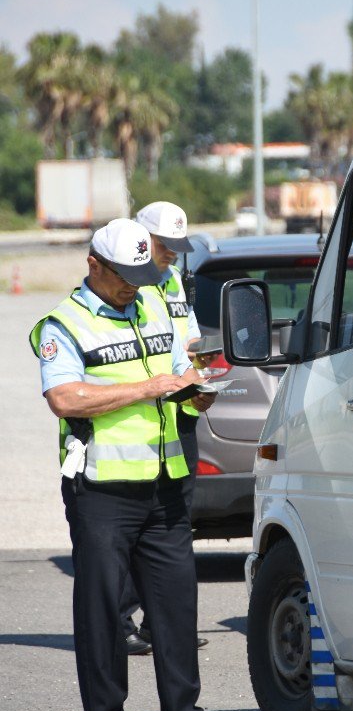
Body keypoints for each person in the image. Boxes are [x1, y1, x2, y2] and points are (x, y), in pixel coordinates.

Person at [30, 218, 247, 711]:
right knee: (103, 608)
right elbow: (65, 399)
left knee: (176, 604)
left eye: (140, 272)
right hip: (102, 488)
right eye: (123, 274)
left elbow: (177, 371)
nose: (133, 283)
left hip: (165, 482)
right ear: (93, 265)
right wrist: (149, 386)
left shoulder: (153, 305)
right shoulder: (63, 323)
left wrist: (197, 394)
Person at [120, 201, 209, 654]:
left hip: (180, 415)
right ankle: (119, 623)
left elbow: (188, 338)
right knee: (135, 527)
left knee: (174, 525)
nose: (172, 254)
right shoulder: (124, 284)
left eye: (177, 246)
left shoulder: (172, 280)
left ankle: (163, 624)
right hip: (139, 421)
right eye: (163, 246)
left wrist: (205, 366)